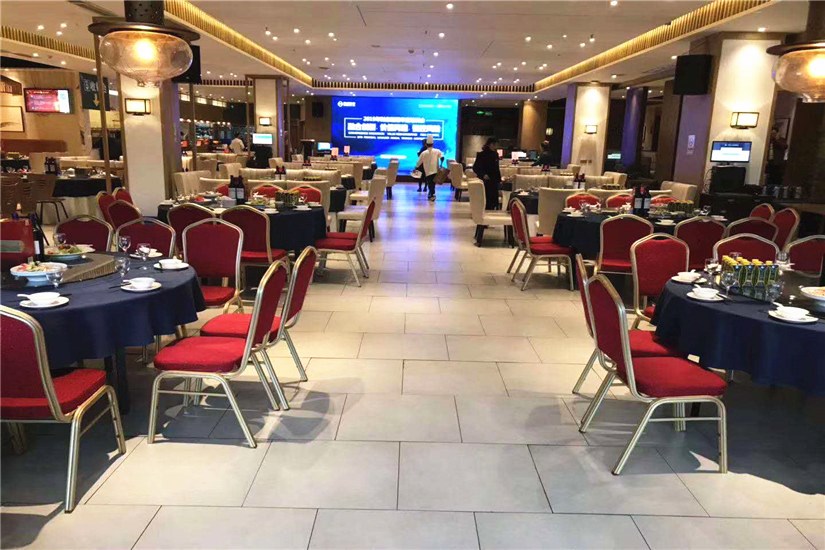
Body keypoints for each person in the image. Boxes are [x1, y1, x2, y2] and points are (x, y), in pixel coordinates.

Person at [473, 137, 502, 210]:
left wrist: (499, 180)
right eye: (494, 145)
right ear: (490, 144)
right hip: (485, 180)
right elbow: (475, 167)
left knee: (494, 200)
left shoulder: (495, 154)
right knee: (487, 199)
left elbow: (496, 168)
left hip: (494, 180)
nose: (495, 147)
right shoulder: (481, 154)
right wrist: (483, 175)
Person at [416, 135, 443, 202]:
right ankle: (431, 194)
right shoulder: (437, 151)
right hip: (435, 170)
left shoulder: (423, 153)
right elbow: (442, 157)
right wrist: (441, 164)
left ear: (426, 144)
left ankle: (432, 194)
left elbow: (419, 162)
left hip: (427, 171)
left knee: (430, 183)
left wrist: (416, 167)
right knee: (432, 183)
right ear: (433, 144)